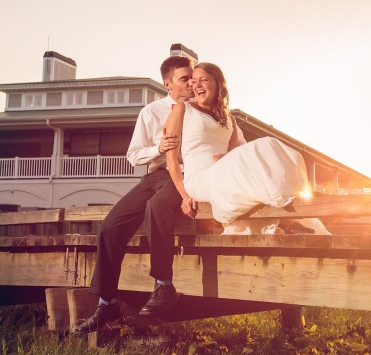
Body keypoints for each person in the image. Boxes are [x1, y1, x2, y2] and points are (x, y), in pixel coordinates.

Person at [73, 55, 194, 333]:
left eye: (191, 77)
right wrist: (159, 148)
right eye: (184, 78)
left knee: (156, 207)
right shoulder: (150, 112)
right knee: (109, 227)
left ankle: (163, 285)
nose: (190, 83)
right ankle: (106, 303)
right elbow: (133, 155)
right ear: (168, 83)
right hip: (154, 174)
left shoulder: (200, 108)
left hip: (185, 176)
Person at [165, 62, 329, 235]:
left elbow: (231, 154)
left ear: (217, 83)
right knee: (259, 150)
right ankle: (287, 219)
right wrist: (185, 195)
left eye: (203, 80)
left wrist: (227, 159)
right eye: (194, 80)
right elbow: (171, 158)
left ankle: (286, 217)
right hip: (199, 179)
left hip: (223, 172)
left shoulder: (231, 121)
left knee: (267, 143)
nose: (196, 85)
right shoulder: (183, 109)